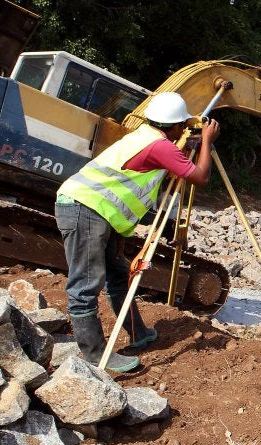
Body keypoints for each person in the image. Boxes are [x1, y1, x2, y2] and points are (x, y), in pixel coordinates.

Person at [55, 92, 219, 372]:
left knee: (118, 274)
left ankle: (139, 333)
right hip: (85, 209)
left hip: (96, 212)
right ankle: (96, 356)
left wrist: (117, 237)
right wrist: (206, 141)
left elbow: (137, 177)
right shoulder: (159, 146)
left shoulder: (145, 137)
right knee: (85, 286)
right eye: (182, 125)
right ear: (176, 126)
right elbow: (200, 177)